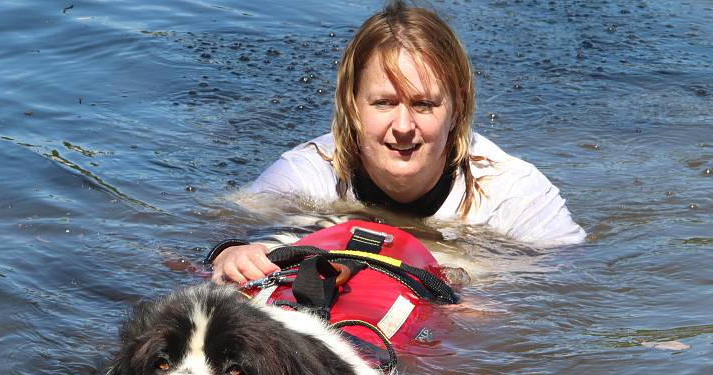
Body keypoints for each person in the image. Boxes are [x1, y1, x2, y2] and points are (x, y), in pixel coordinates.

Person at [212, 0, 585, 284]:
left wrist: (490, 298)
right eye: (384, 103)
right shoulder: (309, 172)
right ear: (351, 105)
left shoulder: (515, 195)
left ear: (457, 108)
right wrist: (230, 253)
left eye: (424, 104)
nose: (403, 126)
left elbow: (573, 283)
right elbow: (215, 231)